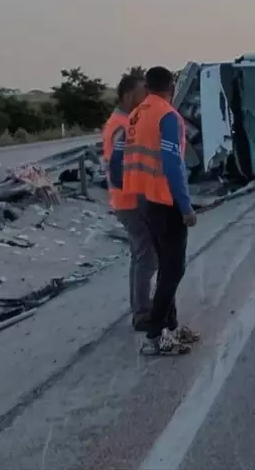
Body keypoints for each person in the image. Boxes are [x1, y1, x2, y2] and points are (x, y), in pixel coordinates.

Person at [123, 66, 200, 356]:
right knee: (173, 268)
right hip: (163, 201)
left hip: (142, 199)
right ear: (172, 85)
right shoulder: (167, 115)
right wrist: (185, 205)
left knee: (166, 265)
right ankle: (156, 335)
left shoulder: (137, 115)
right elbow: (172, 163)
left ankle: (171, 325)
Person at [103, 73, 157, 331]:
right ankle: (142, 313)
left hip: (127, 200)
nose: (146, 96)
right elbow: (118, 169)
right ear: (127, 96)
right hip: (130, 201)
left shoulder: (123, 121)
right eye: (141, 92)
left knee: (141, 255)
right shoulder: (122, 126)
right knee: (147, 256)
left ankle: (140, 307)